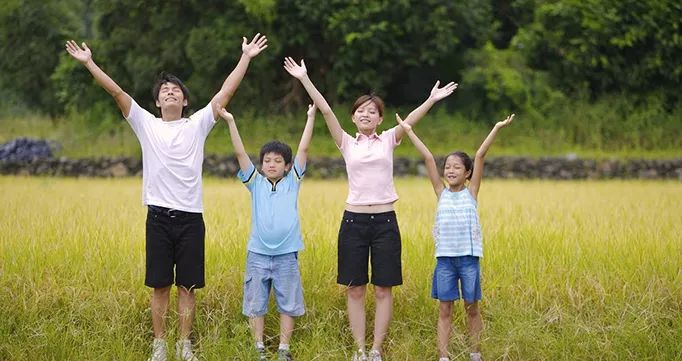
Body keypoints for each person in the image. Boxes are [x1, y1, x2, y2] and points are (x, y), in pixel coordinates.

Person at [65, 34, 268, 361]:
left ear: (185, 101)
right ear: (157, 103)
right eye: (164, 91)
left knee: (188, 287)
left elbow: (226, 92)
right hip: (158, 217)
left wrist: (245, 56)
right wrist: (89, 63)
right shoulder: (146, 124)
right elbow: (116, 91)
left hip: (191, 218)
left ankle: (184, 345)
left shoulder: (197, 124)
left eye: (176, 90)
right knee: (159, 286)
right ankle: (159, 345)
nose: (170, 92)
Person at [283, 57, 457, 361]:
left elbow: (410, 122)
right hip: (353, 222)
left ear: (379, 119)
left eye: (372, 112)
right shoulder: (347, 143)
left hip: (385, 221)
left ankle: (376, 349)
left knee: (383, 289)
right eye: (361, 111)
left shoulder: (389, 139)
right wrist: (304, 79)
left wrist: (430, 99)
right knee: (355, 289)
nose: (366, 114)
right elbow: (325, 110)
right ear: (353, 117)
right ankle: (360, 350)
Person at [395, 112, 515, 361]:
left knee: (472, 309)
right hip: (445, 260)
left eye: (456, 167)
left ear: (468, 173)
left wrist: (496, 127)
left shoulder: (471, 193)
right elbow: (427, 157)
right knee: (444, 309)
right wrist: (409, 131)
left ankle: (475, 353)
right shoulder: (441, 192)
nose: (450, 170)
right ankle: (443, 356)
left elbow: (481, 155)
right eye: (447, 167)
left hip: (469, 259)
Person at [218, 104, 315, 361]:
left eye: (278, 161)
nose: (271, 164)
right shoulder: (255, 183)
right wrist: (230, 121)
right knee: (255, 302)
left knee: (289, 302)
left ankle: (284, 349)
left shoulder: (293, 181)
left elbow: (304, 148)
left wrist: (311, 117)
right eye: (267, 160)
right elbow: (240, 153)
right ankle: (258, 347)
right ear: (260, 165)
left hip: (287, 256)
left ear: (287, 166)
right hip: (258, 254)